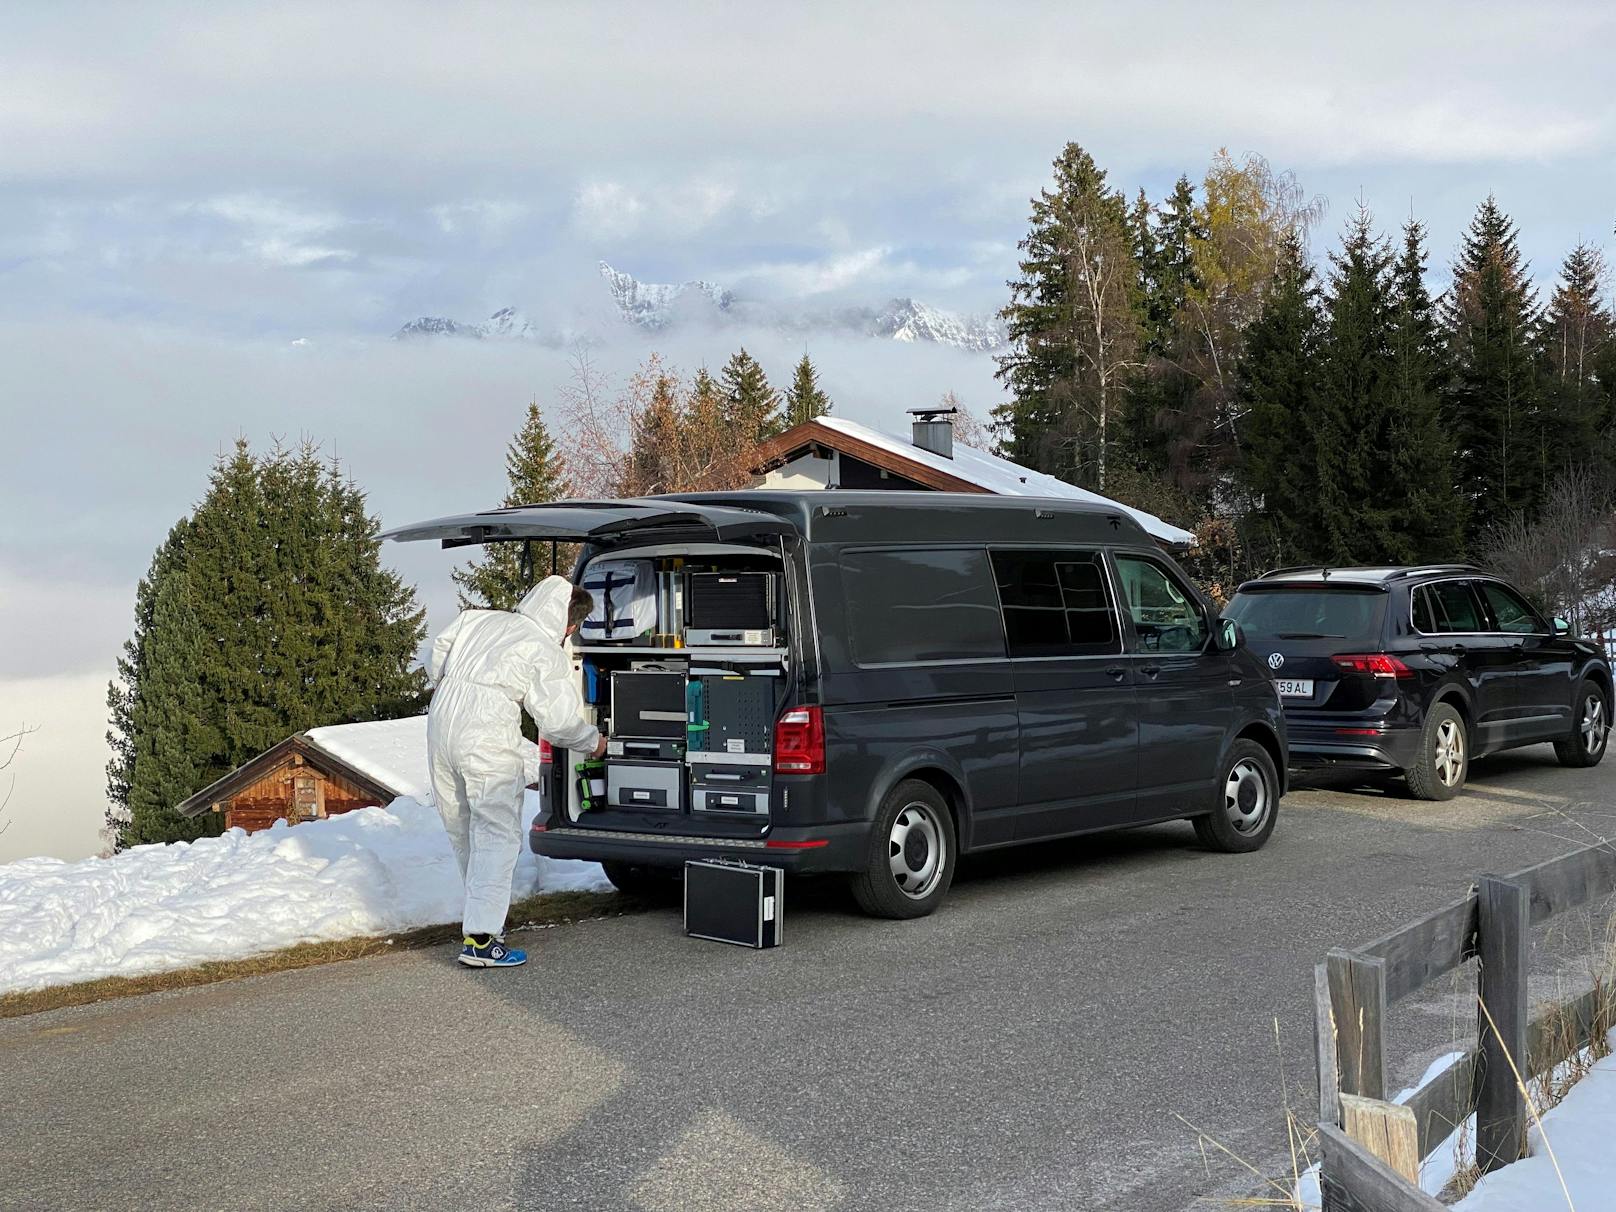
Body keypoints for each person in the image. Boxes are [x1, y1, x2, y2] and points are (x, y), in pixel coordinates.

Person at [427, 575, 606, 968]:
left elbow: (439, 650)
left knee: (462, 826)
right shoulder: (541, 648)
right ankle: (481, 940)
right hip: (484, 733)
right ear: (568, 623)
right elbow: (557, 723)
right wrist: (594, 742)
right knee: (496, 832)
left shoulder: (481, 619)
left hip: (441, 724)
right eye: (574, 626)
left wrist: (447, 684)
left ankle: (481, 922)